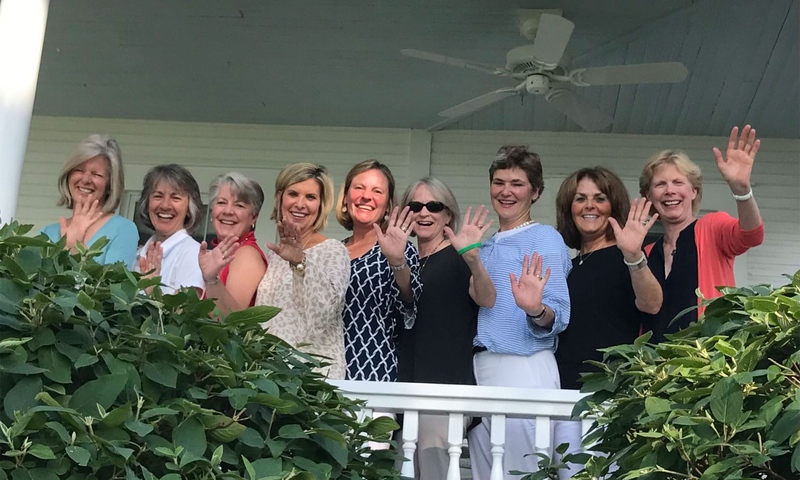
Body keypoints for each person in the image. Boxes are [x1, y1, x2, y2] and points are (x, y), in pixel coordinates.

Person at [467, 145, 572, 480]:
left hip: (523, 369)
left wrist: (536, 309)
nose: (506, 191)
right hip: (481, 369)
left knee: (523, 472)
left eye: (517, 183)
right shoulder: (484, 244)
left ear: (535, 191)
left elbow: (559, 314)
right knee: (488, 472)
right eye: (499, 182)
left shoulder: (544, 238)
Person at [397, 177, 496, 480]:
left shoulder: (458, 256)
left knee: (434, 469)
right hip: (405, 387)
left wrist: (474, 260)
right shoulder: (404, 258)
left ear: (447, 214)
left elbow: (487, 298)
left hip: (443, 388)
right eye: (416, 206)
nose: (424, 213)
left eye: (434, 206)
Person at [639, 125, 764, 343]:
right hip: (653, 368)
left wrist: (742, 190)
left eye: (678, 182)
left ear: (693, 191)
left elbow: (752, 235)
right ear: (649, 195)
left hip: (704, 361)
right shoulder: (647, 252)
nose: (670, 190)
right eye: (660, 184)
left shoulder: (712, 227)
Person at [554, 167, 662, 390]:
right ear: (569, 209)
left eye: (600, 198)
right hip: (561, 389)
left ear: (613, 207)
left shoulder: (626, 259)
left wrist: (633, 256)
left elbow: (652, 304)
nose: (589, 206)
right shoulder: (567, 266)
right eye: (580, 199)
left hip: (608, 391)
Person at [255, 163, 350, 379]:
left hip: (313, 377)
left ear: (321, 204)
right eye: (293, 194)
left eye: (310, 197)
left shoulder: (334, 250)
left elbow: (323, 314)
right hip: (270, 375)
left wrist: (300, 263)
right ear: (279, 198)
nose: (300, 204)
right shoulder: (274, 256)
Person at [336, 159, 423, 383]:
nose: (366, 196)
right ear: (346, 197)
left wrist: (396, 261)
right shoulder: (333, 250)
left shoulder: (398, 247)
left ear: (387, 204)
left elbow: (411, 302)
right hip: (328, 371)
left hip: (373, 371)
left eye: (377, 191)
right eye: (359, 188)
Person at [41, 134, 137, 268]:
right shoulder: (47, 232)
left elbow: (113, 287)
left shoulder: (123, 230)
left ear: (110, 184)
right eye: (79, 170)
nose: (86, 180)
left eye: (96, 174)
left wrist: (75, 248)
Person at [199, 172, 268, 315]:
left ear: (254, 217)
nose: (228, 211)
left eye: (239, 205)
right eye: (221, 202)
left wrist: (211, 280)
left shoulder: (246, 255)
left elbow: (231, 322)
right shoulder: (218, 255)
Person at [133, 164, 205, 295]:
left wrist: (153, 289)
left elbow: (185, 313)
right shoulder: (137, 253)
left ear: (189, 208)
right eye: (158, 196)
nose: (165, 205)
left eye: (175, 198)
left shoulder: (193, 254)